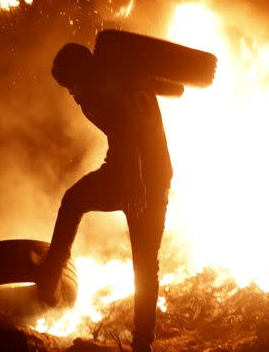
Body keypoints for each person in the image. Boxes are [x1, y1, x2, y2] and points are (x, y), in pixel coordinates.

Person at [39, 43, 173, 352]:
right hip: (123, 173)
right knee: (73, 201)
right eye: (67, 89)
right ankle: (49, 281)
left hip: (148, 181)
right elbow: (123, 136)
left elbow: (131, 130)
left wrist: (137, 184)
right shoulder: (101, 88)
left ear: (84, 72)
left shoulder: (115, 87)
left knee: (144, 263)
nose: (72, 94)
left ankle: (143, 344)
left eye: (71, 85)